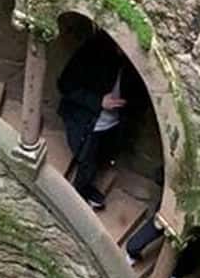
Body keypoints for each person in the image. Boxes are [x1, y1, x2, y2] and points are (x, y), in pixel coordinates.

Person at [57, 31, 140, 210]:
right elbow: (65, 85)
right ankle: (78, 195)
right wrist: (98, 102)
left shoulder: (132, 64)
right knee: (87, 160)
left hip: (114, 123)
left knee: (101, 156)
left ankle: (84, 189)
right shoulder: (92, 53)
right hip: (87, 120)